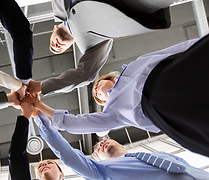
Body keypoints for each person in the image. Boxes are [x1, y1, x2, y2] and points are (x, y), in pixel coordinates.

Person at [28, 0, 209, 96]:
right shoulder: (94, 44)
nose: (56, 45)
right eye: (59, 49)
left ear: (53, 30)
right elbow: (85, 75)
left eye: (52, 44)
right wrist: (42, 87)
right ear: (70, 45)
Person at [33, 34, 209, 158]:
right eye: (97, 97)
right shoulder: (113, 112)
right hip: (160, 106)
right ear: (104, 103)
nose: (95, 90)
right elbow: (76, 123)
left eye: (95, 86)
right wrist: (39, 106)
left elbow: (171, 52)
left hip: (174, 70)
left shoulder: (135, 65)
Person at [33, 110, 209, 180]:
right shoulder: (101, 171)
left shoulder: (162, 155)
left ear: (122, 146)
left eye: (103, 141)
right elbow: (65, 152)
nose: (101, 144)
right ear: (96, 159)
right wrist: (39, 116)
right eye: (96, 150)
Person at [9, 97, 120, 180]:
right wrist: (25, 115)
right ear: (37, 178)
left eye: (50, 163)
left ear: (62, 175)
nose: (45, 163)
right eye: (41, 165)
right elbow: (16, 158)